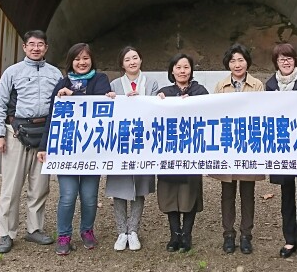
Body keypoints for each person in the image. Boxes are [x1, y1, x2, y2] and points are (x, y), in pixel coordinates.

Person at [0, 30, 63, 254]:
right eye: (31, 44)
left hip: (45, 134)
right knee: (11, 187)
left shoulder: (55, 73)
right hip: (16, 133)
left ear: (46, 48)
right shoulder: (12, 72)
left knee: (40, 186)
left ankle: (35, 229)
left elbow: (62, 103)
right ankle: (6, 233)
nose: (36, 48)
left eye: (40, 44)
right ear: (24, 47)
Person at [46, 43, 113, 255]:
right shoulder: (61, 83)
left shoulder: (100, 80)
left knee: (89, 196)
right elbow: (52, 116)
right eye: (77, 59)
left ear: (92, 60)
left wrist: (73, 96)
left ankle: (87, 231)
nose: (81, 62)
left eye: (85, 58)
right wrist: (44, 146)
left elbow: (98, 102)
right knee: (67, 195)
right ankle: (64, 235)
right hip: (66, 148)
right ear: (70, 62)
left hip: (92, 148)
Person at [210, 43, 264, 254]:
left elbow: (262, 113)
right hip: (226, 146)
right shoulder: (220, 86)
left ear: (247, 62)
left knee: (248, 192)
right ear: (228, 64)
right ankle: (228, 234)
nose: (237, 64)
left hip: (249, 145)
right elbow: (213, 113)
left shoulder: (258, 85)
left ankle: (246, 234)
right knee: (227, 192)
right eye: (233, 60)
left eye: (240, 59)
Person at [265, 43, 297, 261]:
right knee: (286, 194)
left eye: (289, 58)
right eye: (281, 59)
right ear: (276, 62)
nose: (285, 62)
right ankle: (289, 238)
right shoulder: (270, 84)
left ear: (295, 60)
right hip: (282, 147)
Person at [106, 46, 159, 252]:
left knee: (139, 188)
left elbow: (156, 109)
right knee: (119, 188)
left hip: (143, 143)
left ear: (141, 60)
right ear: (122, 64)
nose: (132, 62)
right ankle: (121, 231)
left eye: (135, 57)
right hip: (120, 144)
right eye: (127, 59)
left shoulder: (152, 83)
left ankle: (133, 230)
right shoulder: (115, 85)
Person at [156, 53, 207, 252]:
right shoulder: (164, 92)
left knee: (189, 194)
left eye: (186, 67)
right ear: (172, 70)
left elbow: (210, 114)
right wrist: (158, 102)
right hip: (169, 151)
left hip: (192, 150)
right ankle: (174, 234)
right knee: (170, 193)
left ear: (191, 70)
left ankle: (187, 234)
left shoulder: (200, 91)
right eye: (178, 67)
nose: (182, 71)